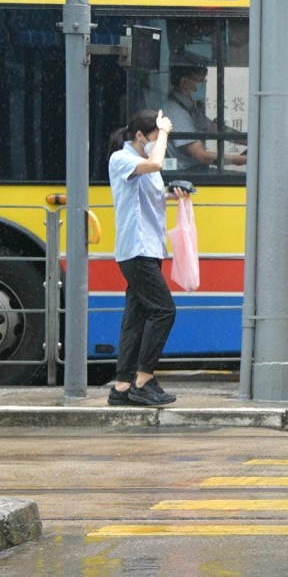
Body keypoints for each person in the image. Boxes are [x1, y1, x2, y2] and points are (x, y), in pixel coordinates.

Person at [106, 109, 186, 407]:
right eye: (154, 135)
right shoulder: (122, 158)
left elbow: (146, 193)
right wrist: (163, 131)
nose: (159, 140)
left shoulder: (141, 164)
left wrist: (172, 193)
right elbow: (154, 163)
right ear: (140, 136)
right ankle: (143, 379)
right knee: (164, 310)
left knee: (136, 316)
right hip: (135, 248)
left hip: (150, 248)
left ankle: (123, 385)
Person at [164, 65, 246, 172]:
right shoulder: (175, 111)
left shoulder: (190, 107)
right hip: (185, 173)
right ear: (183, 82)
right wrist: (238, 160)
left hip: (196, 170)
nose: (205, 84)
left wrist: (247, 140)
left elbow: (215, 128)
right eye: (201, 81)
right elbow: (200, 155)